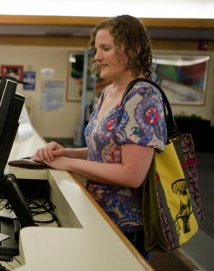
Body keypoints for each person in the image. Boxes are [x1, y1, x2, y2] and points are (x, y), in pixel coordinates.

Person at [31, 15, 167, 258]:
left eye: (106, 48)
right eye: (96, 49)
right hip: (97, 209)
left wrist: (69, 163)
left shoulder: (143, 96)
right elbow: (104, 152)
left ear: (133, 50)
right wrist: (65, 152)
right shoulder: (109, 92)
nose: (97, 57)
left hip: (127, 225)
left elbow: (132, 174)